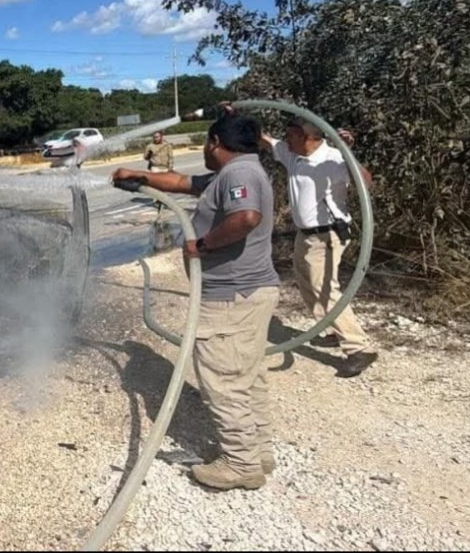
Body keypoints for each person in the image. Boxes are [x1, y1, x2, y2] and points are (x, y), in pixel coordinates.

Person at [112, 113, 280, 491]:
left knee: (223, 378)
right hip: (244, 294)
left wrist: (201, 245)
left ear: (215, 142)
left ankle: (240, 465)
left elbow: (246, 218)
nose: (205, 150)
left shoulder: (239, 175)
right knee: (246, 375)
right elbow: (182, 182)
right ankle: (258, 451)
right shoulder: (233, 173)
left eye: (206, 144)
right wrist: (138, 177)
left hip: (231, 297)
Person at [260, 115, 378, 378]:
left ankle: (359, 348)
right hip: (305, 235)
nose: (285, 140)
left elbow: (366, 182)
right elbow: (265, 141)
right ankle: (329, 329)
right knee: (305, 282)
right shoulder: (293, 154)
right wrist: (232, 116)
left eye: (291, 135)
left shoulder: (334, 158)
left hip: (328, 235)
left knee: (325, 289)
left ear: (309, 138)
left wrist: (348, 152)